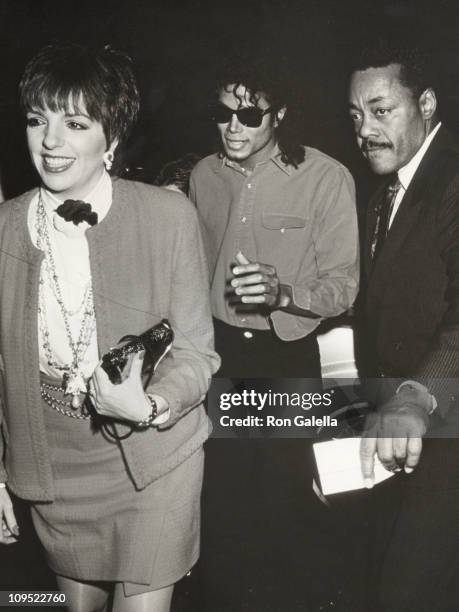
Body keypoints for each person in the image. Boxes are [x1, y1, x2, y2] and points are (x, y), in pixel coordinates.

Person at [0, 43, 219, 612]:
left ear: (112, 137)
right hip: (53, 463)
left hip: (152, 459)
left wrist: (148, 405)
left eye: (74, 123)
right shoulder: (2, 228)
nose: (50, 142)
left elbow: (196, 354)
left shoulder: (169, 218)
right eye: (37, 120)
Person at [189, 57, 359, 609]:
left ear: (279, 113)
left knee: (283, 507)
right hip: (217, 356)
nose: (233, 126)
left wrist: (284, 294)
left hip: (286, 358)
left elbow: (344, 285)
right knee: (218, 504)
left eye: (249, 114)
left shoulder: (326, 177)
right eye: (223, 114)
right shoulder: (202, 176)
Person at [348, 39, 459, 611]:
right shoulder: (380, 194)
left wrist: (417, 395)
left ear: (429, 104)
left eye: (381, 109)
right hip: (402, 436)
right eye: (355, 114)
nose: (364, 129)